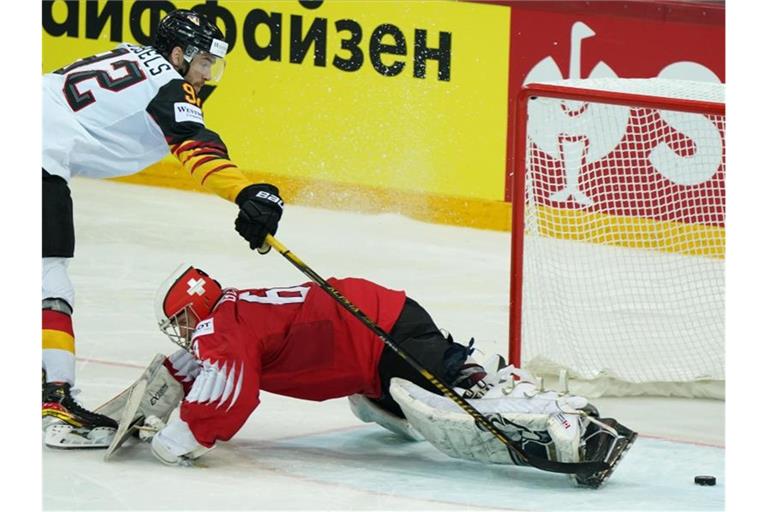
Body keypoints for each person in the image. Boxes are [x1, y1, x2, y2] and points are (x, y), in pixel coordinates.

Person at [133, 264, 635, 485]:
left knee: (460, 390)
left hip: (375, 335)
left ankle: (570, 424)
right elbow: (210, 364)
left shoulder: (219, 326)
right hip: (374, 326)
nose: (181, 333)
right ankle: (392, 399)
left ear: (191, 314)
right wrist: (162, 389)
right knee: (426, 389)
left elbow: (230, 391)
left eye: (179, 322)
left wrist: (183, 435)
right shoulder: (232, 308)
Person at [42, 9, 283, 445]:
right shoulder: (169, 83)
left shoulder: (131, 56)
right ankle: (54, 399)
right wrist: (247, 193)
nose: (208, 74)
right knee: (49, 281)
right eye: (205, 62)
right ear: (178, 54)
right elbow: (197, 148)